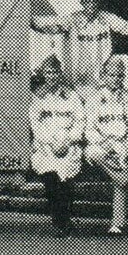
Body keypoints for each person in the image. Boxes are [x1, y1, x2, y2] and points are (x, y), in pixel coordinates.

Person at [85, 54, 128, 235]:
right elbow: (89, 129)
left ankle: (117, 224)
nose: (115, 79)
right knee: (92, 153)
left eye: (119, 75)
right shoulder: (94, 98)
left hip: (123, 144)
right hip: (103, 144)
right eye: (111, 75)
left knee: (122, 165)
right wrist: (105, 142)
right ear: (104, 76)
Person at [33, 0, 128, 90]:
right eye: (88, 2)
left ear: (98, 2)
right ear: (82, 2)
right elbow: (49, 27)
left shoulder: (106, 18)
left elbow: (126, 27)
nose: (91, 5)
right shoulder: (72, 19)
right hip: (75, 80)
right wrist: (31, 22)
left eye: (94, 1)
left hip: (99, 81)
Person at [29, 55, 84, 236]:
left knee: (67, 179)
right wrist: (50, 142)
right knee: (50, 176)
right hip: (47, 144)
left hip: (68, 142)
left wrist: (69, 139)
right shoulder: (38, 97)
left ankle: (65, 218)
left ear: (60, 74)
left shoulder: (71, 96)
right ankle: (58, 219)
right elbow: (35, 124)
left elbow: (79, 120)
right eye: (48, 73)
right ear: (44, 74)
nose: (51, 76)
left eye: (55, 72)